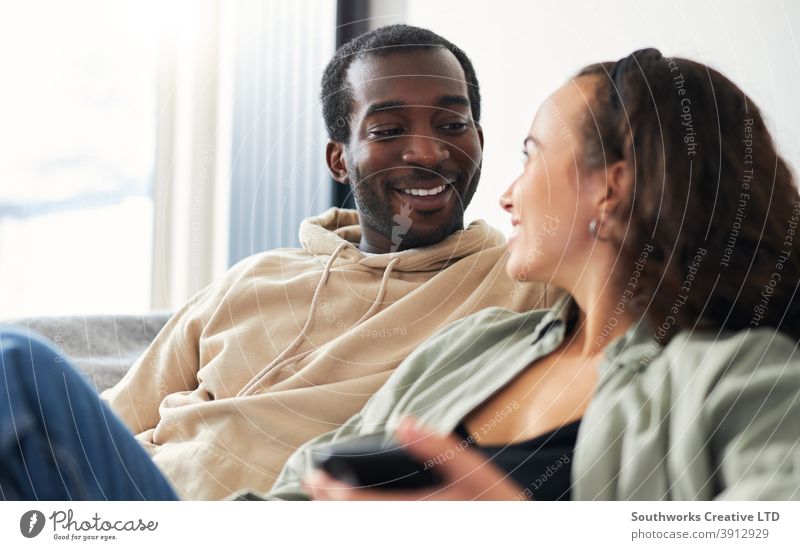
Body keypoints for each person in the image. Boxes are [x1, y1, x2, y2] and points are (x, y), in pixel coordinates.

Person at [0, 25, 550, 501]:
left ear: (479, 140)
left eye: (452, 125)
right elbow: (113, 417)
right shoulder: (256, 278)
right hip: (123, 492)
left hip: (223, 519)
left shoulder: (526, 280)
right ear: (339, 158)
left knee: (16, 362)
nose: (429, 153)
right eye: (387, 131)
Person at [255, 48, 800, 501]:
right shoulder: (471, 345)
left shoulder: (747, 376)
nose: (507, 196)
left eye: (530, 157)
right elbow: (298, 496)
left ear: (610, 187)